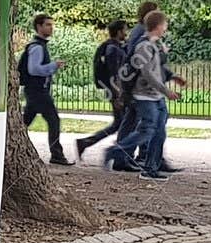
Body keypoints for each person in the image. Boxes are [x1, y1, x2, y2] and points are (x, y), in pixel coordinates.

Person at [105, 11, 181, 180]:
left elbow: (156, 68)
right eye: (165, 25)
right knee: (146, 131)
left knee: (158, 133)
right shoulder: (144, 46)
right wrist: (166, 91)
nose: (166, 28)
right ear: (158, 26)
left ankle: (150, 168)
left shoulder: (153, 44)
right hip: (145, 96)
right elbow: (147, 73)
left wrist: (171, 75)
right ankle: (115, 152)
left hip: (155, 96)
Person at [19, 13, 72, 165]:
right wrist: (53, 66)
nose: (51, 28)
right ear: (39, 26)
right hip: (38, 92)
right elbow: (34, 69)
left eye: (51, 25)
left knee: (25, 122)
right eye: (48, 25)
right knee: (54, 120)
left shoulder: (38, 45)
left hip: (34, 91)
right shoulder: (37, 47)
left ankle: (8, 142)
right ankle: (57, 155)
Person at [75, 20, 130, 160]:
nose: (126, 33)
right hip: (116, 91)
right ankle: (117, 153)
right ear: (119, 31)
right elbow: (114, 74)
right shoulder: (113, 49)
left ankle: (86, 143)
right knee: (123, 123)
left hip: (116, 90)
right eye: (125, 30)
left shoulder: (114, 47)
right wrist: (118, 95)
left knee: (120, 123)